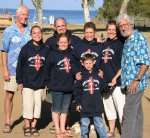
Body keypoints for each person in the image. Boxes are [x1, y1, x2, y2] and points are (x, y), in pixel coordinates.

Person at [116, 14, 150, 138]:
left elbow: (145, 62)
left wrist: (136, 80)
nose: (123, 28)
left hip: (134, 84)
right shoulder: (128, 40)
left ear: (131, 25)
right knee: (137, 114)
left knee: (128, 114)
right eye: (120, 26)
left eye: (125, 25)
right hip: (129, 83)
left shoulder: (138, 38)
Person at [0, 5, 30, 133]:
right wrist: (5, 69)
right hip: (12, 70)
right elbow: (4, 51)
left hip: (28, 71)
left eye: (27, 14)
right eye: (23, 14)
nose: (26, 17)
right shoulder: (8, 31)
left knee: (27, 98)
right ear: (17, 15)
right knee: (9, 96)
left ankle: (27, 123)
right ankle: (7, 121)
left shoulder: (30, 31)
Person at [16, 25, 49, 137]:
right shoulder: (25, 48)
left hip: (40, 84)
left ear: (42, 34)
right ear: (31, 35)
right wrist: (19, 82)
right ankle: (27, 126)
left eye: (39, 32)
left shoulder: (45, 49)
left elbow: (47, 67)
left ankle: (34, 126)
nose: (37, 35)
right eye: (34, 33)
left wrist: (46, 82)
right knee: (28, 106)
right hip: (27, 83)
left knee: (37, 106)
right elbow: (19, 66)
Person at [45, 33, 78, 138]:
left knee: (65, 109)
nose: (63, 44)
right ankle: (58, 130)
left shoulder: (72, 53)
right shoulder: (52, 54)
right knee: (56, 109)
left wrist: (77, 74)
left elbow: (75, 68)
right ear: (57, 43)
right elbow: (47, 70)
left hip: (68, 87)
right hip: (56, 87)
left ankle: (63, 129)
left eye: (65, 42)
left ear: (68, 43)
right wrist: (49, 83)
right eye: (61, 42)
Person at [100, 20, 125, 138]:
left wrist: (115, 78)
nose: (111, 32)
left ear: (117, 31)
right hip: (105, 82)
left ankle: (125, 132)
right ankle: (111, 131)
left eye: (113, 30)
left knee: (121, 109)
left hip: (117, 82)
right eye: (109, 29)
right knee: (109, 109)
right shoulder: (104, 44)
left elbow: (123, 64)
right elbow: (101, 63)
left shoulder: (121, 44)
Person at [73, 53, 107, 138]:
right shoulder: (81, 76)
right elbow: (77, 91)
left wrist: (102, 78)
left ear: (94, 62)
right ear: (82, 63)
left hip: (96, 105)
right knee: (84, 125)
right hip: (85, 105)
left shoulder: (98, 74)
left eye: (90, 63)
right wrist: (78, 103)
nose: (88, 65)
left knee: (99, 124)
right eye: (86, 63)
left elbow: (104, 88)